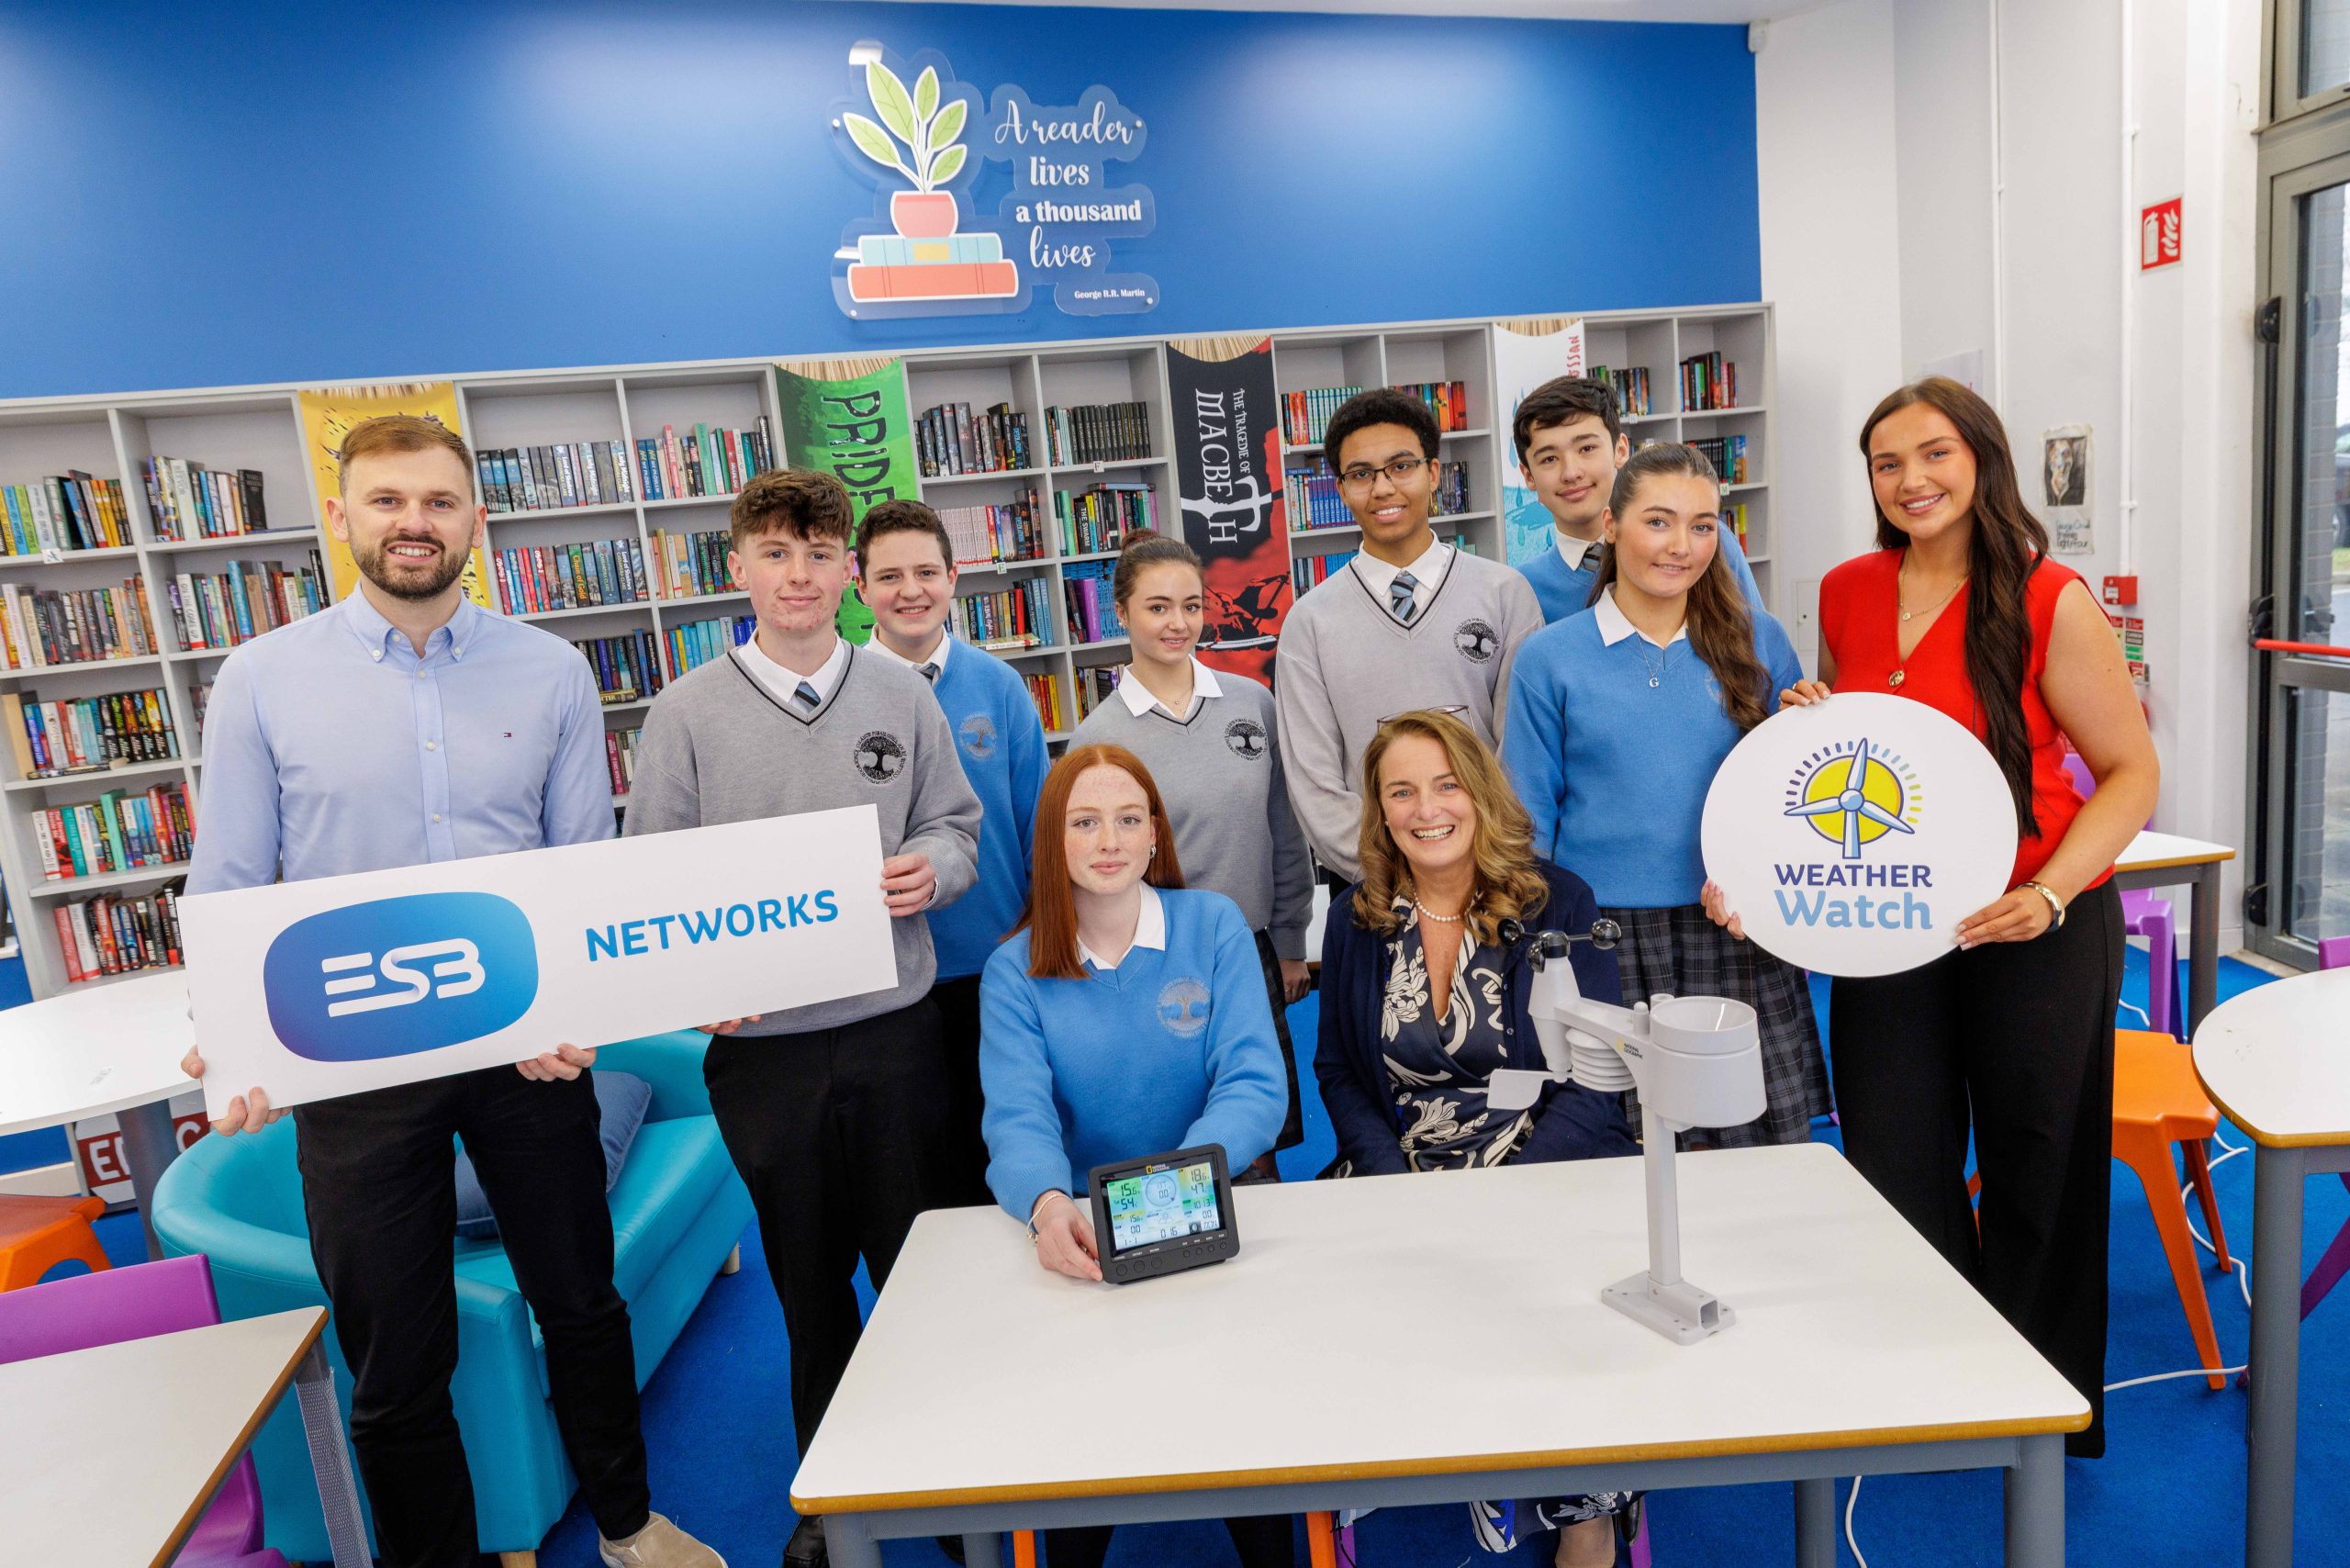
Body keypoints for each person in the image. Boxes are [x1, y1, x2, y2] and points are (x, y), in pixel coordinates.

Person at [180, 416, 721, 1568]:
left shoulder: (552, 669)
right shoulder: (262, 680)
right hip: (355, 1061)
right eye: (386, 501)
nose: (412, 523)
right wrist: (228, 1046)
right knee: (396, 1358)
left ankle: (628, 1526)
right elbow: (227, 882)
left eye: (436, 500)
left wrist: (573, 1014)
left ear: (476, 518)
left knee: (581, 1302)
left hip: (524, 1050)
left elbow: (580, 868)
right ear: (341, 519)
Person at [1771, 376, 2158, 1459]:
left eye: (1933, 454)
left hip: (2033, 916)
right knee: (1893, 1151)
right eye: (1887, 464)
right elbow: (1868, 756)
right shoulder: (1848, 588)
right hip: (1888, 921)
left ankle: (2034, 1399)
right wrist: (1816, 716)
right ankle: (1932, 1378)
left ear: (1981, 459)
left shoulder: (2047, 598)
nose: (1911, 480)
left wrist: (2048, 893)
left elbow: (2130, 773)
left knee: (2038, 1156)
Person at [623, 468, 982, 1568]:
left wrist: (935, 867)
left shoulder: (898, 693)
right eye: (775, 554)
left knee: (919, 1268)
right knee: (808, 1282)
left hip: (894, 1032)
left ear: (848, 574)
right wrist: (695, 978)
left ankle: (958, 1481)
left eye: (820, 555)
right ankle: (831, 1496)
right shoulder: (685, 711)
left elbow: (956, 823)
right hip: (764, 1057)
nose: (799, 575)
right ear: (738, 567)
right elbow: (652, 885)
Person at [1315, 709, 1635, 1568]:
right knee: (1325, 1270)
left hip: (1544, 1154)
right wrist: (1398, 1181)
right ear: (1380, 812)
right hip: (1403, 1159)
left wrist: (1515, 1186)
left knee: (1565, 1276)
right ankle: (1436, 1448)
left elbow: (1598, 1074)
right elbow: (1341, 1072)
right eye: (1402, 792)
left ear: (1480, 794)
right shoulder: (1357, 917)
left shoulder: (1557, 900)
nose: (1427, 810)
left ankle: (1583, 1513)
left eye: (1446, 785)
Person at [979, 745, 1292, 1568]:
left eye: (1128, 818)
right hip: (1086, 1237)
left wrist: (1174, 1189)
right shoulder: (1013, 970)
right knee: (1085, 1465)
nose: (1109, 839)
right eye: (1084, 822)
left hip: (1211, 1206)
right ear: (1054, 842)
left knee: (1246, 1448)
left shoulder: (1215, 923)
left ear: (1156, 835)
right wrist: (1048, 1206)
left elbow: (1256, 1085)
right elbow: (1017, 1118)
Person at [1503, 444, 1830, 1148]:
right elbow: (1525, 821)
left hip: (1735, 926)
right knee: (1616, 1150)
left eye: (1704, 525)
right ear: (1612, 528)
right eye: (1659, 521)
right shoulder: (1549, 658)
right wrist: (1541, 952)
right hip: (1601, 937)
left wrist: (1811, 725)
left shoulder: (1759, 641)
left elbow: (1792, 799)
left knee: (1750, 1145)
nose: (1682, 546)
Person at [1071, 529, 1313, 1177]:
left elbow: (1283, 829)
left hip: (1254, 949)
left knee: (1255, 1141)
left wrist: (1290, 940)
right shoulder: (1099, 738)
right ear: (1120, 613)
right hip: (1157, 964)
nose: (1178, 623)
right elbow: (1093, 874)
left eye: (1191, 605)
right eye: (1157, 607)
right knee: (1177, 1138)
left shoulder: (1251, 705)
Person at [855, 497, 1047, 1204]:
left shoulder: (998, 685)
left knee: (1006, 1153)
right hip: (887, 980)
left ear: (955, 576)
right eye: (890, 576)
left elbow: (1037, 827)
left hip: (997, 967)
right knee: (915, 1177)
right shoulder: (843, 694)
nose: (911, 591)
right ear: (860, 586)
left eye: (927, 571)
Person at [1275, 387, 1545, 887]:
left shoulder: (1505, 594)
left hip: (1492, 873)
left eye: (1401, 466)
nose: (1382, 488)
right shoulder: (1310, 622)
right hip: (1372, 884)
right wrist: (1388, 871)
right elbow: (1314, 782)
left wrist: (1481, 859)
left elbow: (1524, 751)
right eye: (1361, 474)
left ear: (1433, 473)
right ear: (1340, 489)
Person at [1510, 376, 1763, 623]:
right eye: (1549, 459)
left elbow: (1756, 648)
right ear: (1528, 476)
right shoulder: (1523, 589)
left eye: (1587, 449)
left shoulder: (1700, 543)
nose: (1571, 473)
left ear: (1620, 450)